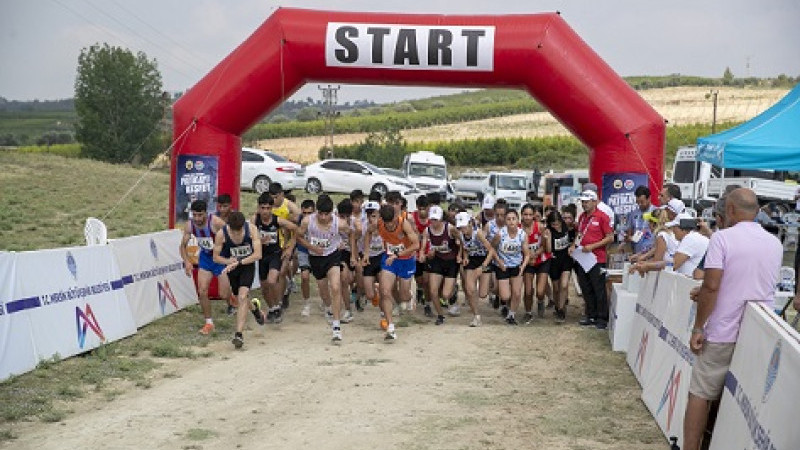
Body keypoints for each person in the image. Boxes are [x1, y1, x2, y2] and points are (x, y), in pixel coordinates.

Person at [683, 188, 782, 450]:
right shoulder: (775, 243)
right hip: (757, 334)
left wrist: (697, 327)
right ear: (758, 212)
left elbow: (712, 285)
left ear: (729, 211)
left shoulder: (722, 238)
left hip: (722, 331)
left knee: (700, 393)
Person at [295, 195, 351, 343]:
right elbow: (298, 237)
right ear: (317, 212)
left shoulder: (339, 222)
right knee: (323, 290)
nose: (324, 217)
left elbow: (352, 233)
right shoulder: (308, 221)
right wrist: (312, 247)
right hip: (316, 257)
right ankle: (327, 307)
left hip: (332, 256)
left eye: (327, 214)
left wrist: (344, 243)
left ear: (331, 213)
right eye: (321, 213)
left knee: (335, 286)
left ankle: (337, 326)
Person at [363, 204, 420, 340]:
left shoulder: (403, 224)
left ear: (396, 217)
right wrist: (366, 253)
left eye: (391, 223)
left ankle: (410, 294)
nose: (389, 226)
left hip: (406, 260)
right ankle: (390, 327)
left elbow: (416, 245)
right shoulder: (379, 224)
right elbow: (368, 233)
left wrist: (399, 254)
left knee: (404, 296)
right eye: (386, 224)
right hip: (389, 259)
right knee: (385, 291)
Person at [179, 200, 232, 335]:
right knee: (202, 291)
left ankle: (233, 300)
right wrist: (187, 262)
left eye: (200, 215)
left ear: (206, 214)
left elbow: (233, 235)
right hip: (206, 259)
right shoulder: (190, 226)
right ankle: (209, 322)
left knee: (223, 294)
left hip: (220, 259)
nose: (197, 219)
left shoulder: (216, 222)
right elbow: (182, 246)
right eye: (194, 215)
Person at [212, 211, 262, 349]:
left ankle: (238, 334)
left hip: (247, 266)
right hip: (232, 269)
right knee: (240, 299)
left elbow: (258, 254)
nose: (237, 235)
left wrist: (239, 262)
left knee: (242, 296)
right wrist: (228, 261)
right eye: (234, 232)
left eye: (239, 231)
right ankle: (255, 309)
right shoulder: (221, 235)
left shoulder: (251, 229)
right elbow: (216, 257)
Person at [570, 190, 613, 329]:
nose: (584, 204)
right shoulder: (582, 217)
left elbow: (610, 237)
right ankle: (591, 315)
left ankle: (602, 318)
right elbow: (580, 234)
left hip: (597, 258)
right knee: (585, 287)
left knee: (598, 288)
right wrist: (573, 245)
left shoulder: (603, 217)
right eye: (582, 202)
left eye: (587, 202)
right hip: (583, 257)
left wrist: (593, 246)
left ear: (595, 202)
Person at [252, 193, 298, 324]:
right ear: (259, 208)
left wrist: (289, 248)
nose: (265, 211)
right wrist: (258, 241)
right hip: (261, 256)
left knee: (272, 280)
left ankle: (278, 304)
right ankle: (272, 308)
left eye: (268, 208)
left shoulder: (277, 220)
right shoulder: (254, 220)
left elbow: (296, 230)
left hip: (275, 254)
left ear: (272, 208)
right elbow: (248, 237)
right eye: (263, 208)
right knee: (264, 287)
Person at [420, 205, 461, 326]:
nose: (434, 222)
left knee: (445, 294)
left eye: (436, 219)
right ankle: (440, 315)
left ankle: (453, 290)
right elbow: (423, 247)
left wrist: (460, 254)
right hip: (437, 260)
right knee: (433, 291)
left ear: (441, 219)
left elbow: (462, 241)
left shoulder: (450, 228)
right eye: (432, 219)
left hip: (451, 261)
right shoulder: (427, 231)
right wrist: (423, 254)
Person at [492, 208, 531, 325]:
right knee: (505, 295)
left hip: (516, 266)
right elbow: (492, 248)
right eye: (508, 219)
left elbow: (527, 254)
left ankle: (511, 315)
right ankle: (502, 301)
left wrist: (522, 267)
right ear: (505, 221)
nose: (511, 222)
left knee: (517, 293)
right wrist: (499, 261)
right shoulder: (500, 234)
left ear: (518, 220)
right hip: (502, 266)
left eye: (513, 219)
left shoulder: (522, 234)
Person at [456, 211, 495, 327]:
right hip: (472, 261)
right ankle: (476, 316)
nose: (462, 228)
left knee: (483, 293)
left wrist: (482, 267)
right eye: (460, 226)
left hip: (484, 259)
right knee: (469, 288)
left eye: (464, 225)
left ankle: (492, 287)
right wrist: (465, 257)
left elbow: (491, 250)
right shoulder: (461, 235)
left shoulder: (477, 233)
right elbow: (465, 247)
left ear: (469, 223)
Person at [268, 182, 301, 309]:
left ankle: (282, 298)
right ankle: (281, 295)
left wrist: (291, 244)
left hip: (287, 242)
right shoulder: (268, 205)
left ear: (281, 194)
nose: (274, 200)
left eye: (276, 197)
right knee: (275, 275)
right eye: (272, 197)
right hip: (272, 243)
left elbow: (298, 227)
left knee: (282, 272)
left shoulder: (291, 207)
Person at [521, 203, 551, 324]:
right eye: (525, 214)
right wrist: (528, 257)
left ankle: (540, 301)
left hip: (542, 260)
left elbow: (545, 246)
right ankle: (528, 312)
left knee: (540, 291)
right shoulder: (518, 229)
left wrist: (535, 254)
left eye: (530, 215)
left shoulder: (540, 227)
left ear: (534, 215)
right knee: (528, 290)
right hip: (528, 261)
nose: (527, 217)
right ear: (521, 215)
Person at [546, 210, 575, 323]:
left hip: (566, 260)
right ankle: (558, 306)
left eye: (558, 223)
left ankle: (561, 309)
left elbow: (577, 235)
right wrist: (547, 238)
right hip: (554, 261)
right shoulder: (548, 231)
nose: (556, 226)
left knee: (564, 285)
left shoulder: (567, 227)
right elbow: (548, 250)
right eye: (553, 224)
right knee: (556, 288)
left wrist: (572, 246)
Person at [335, 198, 358, 324]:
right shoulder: (334, 219)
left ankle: (356, 291)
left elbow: (352, 238)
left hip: (351, 250)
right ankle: (348, 310)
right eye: (341, 216)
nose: (343, 218)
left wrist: (353, 256)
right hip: (338, 252)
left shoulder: (353, 222)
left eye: (346, 216)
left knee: (352, 279)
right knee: (343, 279)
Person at [667, 213, 710, 277]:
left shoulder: (691, 238)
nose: (673, 230)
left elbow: (672, 265)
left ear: (682, 228)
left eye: (674, 227)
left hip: (690, 283)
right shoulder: (694, 237)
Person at [410, 195, 432, 315]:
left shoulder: (433, 218)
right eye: (420, 208)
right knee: (419, 279)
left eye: (425, 208)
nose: (422, 211)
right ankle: (420, 290)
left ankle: (427, 304)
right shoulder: (412, 217)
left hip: (429, 253)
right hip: (416, 252)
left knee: (427, 280)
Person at [296, 199, 315, 317]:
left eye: (310, 213)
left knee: (322, 278)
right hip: (303, 251)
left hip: (318, 252)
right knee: (304, 276)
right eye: (305, 213)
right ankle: (307, 303)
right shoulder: (298, 220)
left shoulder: (320, 220)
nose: (306, 216)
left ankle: (326, 302)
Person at [625, 186, 656, 255]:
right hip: (637, 253)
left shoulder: (656, 212)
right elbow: (628, 233)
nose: (640, 204)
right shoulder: (633, 214)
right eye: (637, 202)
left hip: (652, 253)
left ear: (649, 198)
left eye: (642, 202)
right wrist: (628, 237)